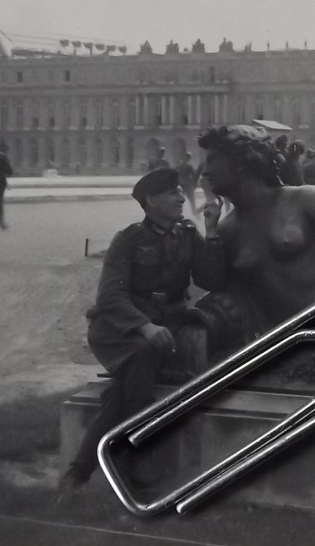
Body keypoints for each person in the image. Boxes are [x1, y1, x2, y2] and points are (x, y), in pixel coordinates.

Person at [58, 167, 227, 495]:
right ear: (151, 200)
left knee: (122, 391)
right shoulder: (129, 239)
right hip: (118, 331)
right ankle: (124, 468)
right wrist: (144, 327)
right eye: (172, 193)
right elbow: (110, 296)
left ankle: (80, 471)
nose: (182, 198)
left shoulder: (188, 234)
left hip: (164, 327)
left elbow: (213, 280)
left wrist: (213, 230)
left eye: (181, 191)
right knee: (141, 356)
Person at [179, 125, 315, 368]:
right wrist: (211, 232)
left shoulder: (305, 199)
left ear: (241, 161)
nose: (206, 171)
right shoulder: (227, 228)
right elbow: (212, 282)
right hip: (307, 337)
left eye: (213, 161)